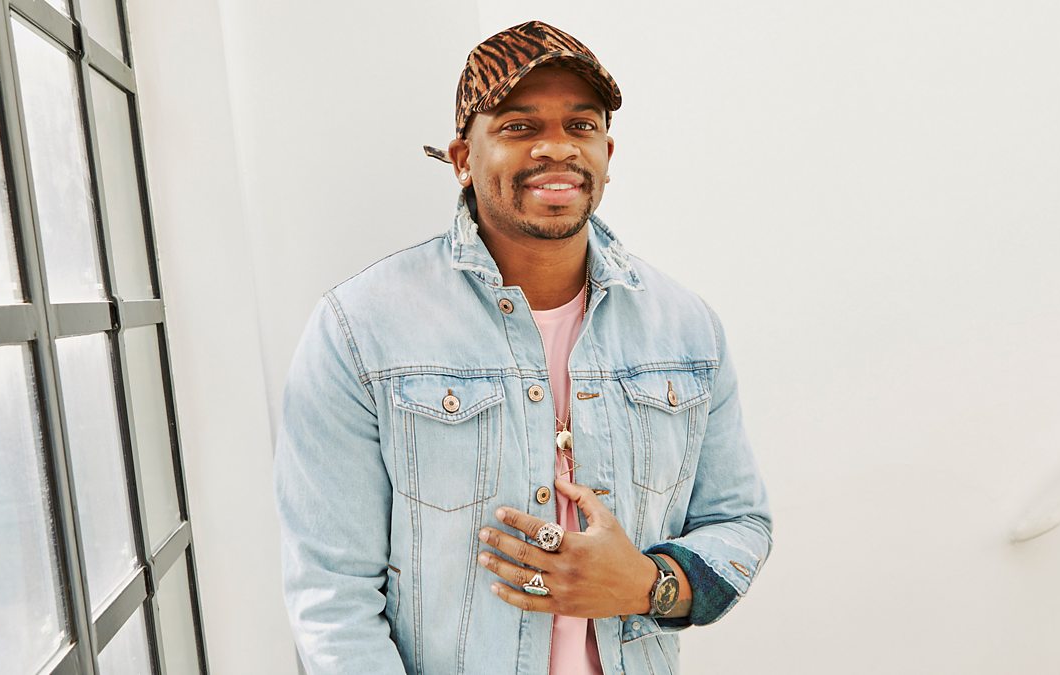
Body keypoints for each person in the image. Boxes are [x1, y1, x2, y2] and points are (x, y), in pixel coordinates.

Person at [274, 19, 773, 675]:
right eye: (519, 126)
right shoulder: (360, 328)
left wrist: (648, 585)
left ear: (606, 153)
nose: (556, 147)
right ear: (462, 159)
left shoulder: (686, 328)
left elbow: (739, 522)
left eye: (580, 125)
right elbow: (331, 598)